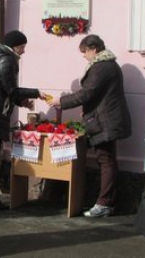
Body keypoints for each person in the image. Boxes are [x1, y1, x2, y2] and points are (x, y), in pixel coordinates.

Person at [48, 34, 131, 217]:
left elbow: (87, 93)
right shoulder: (108, 65)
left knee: (105, 159)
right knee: (106, 159)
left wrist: (60, 101)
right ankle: (105, 202)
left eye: (85, 52)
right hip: (105, 119)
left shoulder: (102, 67)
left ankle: (105, 203)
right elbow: (97, 96)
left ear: (94, 49)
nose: (84, 56)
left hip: (106, 121)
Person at [0, 30, 48, 210]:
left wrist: (23, 102)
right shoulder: (7, 61)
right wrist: (36, 93)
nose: (23, 51)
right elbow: (11, 90)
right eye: (22, 47)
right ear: (15, 46)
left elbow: (5, 90)